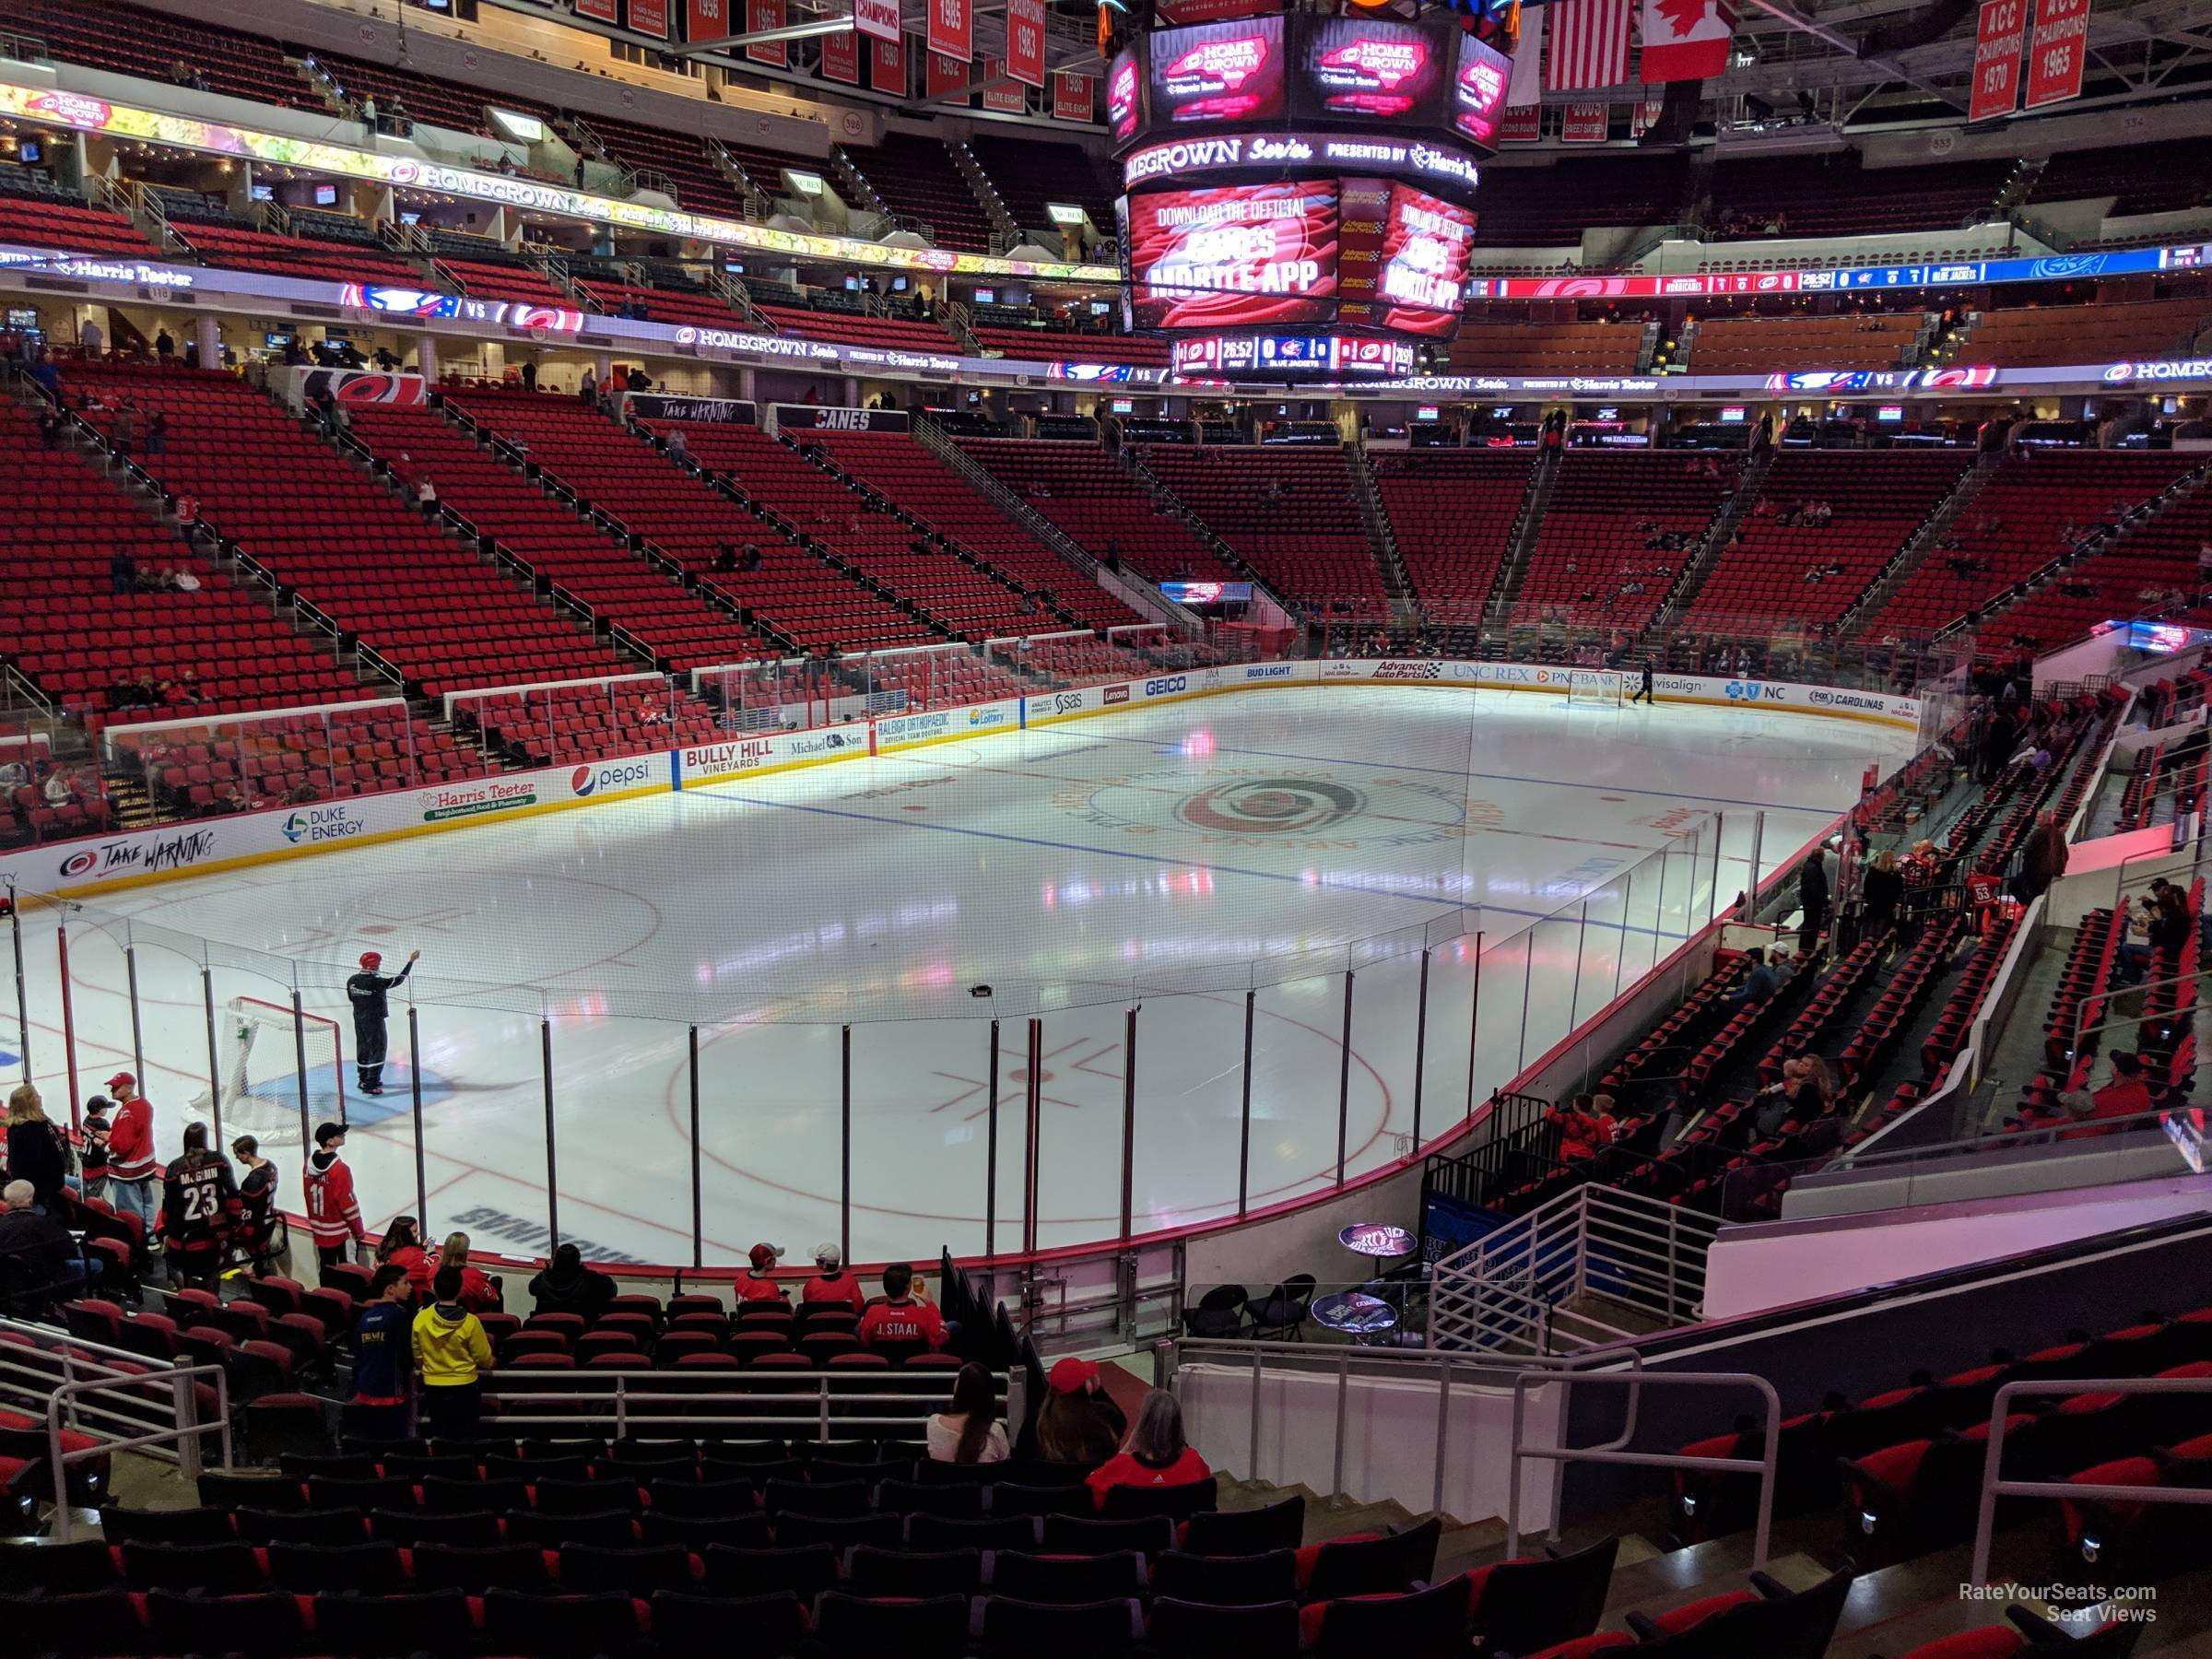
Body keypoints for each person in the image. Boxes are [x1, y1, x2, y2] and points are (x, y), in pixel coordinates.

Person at [1086, 1387, 1210, 1505]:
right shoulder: (1194, 1461)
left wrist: (1123, 1452)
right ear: (1178, 1427)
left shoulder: (1120, 1468)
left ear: (1141, 1427)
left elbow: (1091, 1489)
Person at [413, 1265, 494, 1437]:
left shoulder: (421, 1319)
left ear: (434, 1288)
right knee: (466, 1434)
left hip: (434, 1385)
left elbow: (418, 1355)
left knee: (440, 1433)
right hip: (465, 1386)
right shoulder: (471, 1323)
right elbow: (484, 1359)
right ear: (459, 1289)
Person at [159, 1122, 241, 1289]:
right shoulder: (219, 1161)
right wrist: (233, 1223)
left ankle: (187, 1297)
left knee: (174, 1264)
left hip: (182, 1238)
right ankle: (211, 1303)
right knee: (211, 1271)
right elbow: (233, 1196)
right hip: (210, 1237)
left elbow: (167, 1208)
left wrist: (165, 1227)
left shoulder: (175, 1168)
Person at [0, 1178, 92, 1302]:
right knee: (95, 1264)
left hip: (9, 1287)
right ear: (31, 1200)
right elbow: (69, 1251)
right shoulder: (42, 1223)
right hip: (40, 1281)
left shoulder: (2, 1224)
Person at [351, 1265, 415, 1440]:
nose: (410, 1287)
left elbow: (358, 1352)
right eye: (406, 1282)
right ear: (390, 1289)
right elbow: (405, 1356)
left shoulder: (365, 1317)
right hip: (391, 1396)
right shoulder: (399, 1316)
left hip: (365, 1393)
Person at [347, 947, 419, 1096]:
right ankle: (371, 1083)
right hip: (374, 1021)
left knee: (363, 1048)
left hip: (359, 1019)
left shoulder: (352, 980)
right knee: (378, 1050)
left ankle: (363, 1079)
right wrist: (410, 961)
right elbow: (398, 979)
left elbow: (351, 997)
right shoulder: (376, 982)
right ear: (373, 965)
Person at [304, 1120, 368, 1280]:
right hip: (340, 1232)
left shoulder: (307, 1166)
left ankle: (326, 1300)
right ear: (330, 1141)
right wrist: (358, 1230)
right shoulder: (339, 1169)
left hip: (320, 1229)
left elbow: (307, 1195)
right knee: (348, 1273)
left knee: (326, 1270)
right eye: (339, 1134)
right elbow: (348, 1204)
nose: (343, 1135)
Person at [1036, 1356, 1127, 1465]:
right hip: (1096, 1479)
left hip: (1053, 1480)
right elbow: (1121, 1425)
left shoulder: (1038, 1420)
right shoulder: (1102, 1415)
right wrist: (1098, 1392)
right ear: (1084, 1387)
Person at [104, 1070, 159, 1247]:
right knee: (147, 1202)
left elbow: (123, 1144)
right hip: (146, 1163)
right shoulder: (145, 1104)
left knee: (131, 1209)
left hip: (128, 1168)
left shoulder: (126, 1113)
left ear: (128, 1088)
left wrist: (109, 1145)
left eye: (116, 1087)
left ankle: (136, 1243)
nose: (112, 1090)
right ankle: (151, 1238)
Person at [857, 1261, 949, 1351]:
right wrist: (929, 1303)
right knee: (954, 1325)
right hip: (916, 1364)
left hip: (883, 1364)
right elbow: (941, 1336)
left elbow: (864, 1340)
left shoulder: (873, 1313)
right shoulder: (923, 1314)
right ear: (908, 1286)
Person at [927, 1361, 1009, 1465]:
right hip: (986, 1480)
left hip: (943, 1480)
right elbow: (1005, 1469)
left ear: (958, 1390)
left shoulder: (933, 1423)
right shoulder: (996, 1430)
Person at [6, 1084, 70, 1213]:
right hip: (39, 1192)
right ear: (30, 1102)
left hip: (32, 1186)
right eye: (36, 1096)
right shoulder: (34, 1129)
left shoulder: (15, 1127)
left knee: (74, 1183)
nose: (40, 1098)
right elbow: (44, 1163)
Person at [229, 1135, 279, 1272]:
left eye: (238, 1154)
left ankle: (253, 1275)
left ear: (246, 1153)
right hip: (269, 1223)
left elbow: (247, 1214)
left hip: (257, 1231)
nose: (236, 1158)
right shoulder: (271, 1167)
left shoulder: (253, 1181)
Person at [529, 1241, 615, 1321]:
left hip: (547, 1329)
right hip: (582, 1331)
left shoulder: (543, 1279)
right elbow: (611, 1289)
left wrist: (547, 1271)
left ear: (555, 1263)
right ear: (578, 1262)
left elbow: (532, 1289)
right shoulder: (591, 1279)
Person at [2010, 810, 2067, 905]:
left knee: (2013, 886)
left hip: (2035, 871)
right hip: (2050, 872)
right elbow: (2065, 853)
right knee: (2034, 893)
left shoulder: (2039, 832)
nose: (2036, 819)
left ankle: (2027, 905)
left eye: (2039, 817)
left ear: (2046, 819)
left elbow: (2027, 849)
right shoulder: (2058, 833)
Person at [432, 1232, 500, 1313]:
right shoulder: (474, 1276)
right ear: (466, 1253)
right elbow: (493, 1298)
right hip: (469, 1318)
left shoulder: (433, 1269)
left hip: (439, 1313)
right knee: (497, 1282)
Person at [801, 1241, 867, 1313]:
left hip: (818, 1324)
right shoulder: (850, 1280)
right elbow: (859, 1305)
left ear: (823, 1264)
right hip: (846, 1324)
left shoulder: (812, 1284)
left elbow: (807, 1308)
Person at [377, 1215, 433, 1296]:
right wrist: (432, 1254)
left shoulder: (384, 1248)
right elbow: (434, 1271)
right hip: (414, 1300)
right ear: (405, 1235)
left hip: (388, 1294)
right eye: (414, 1231)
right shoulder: (414, 1256)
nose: (418, 1233)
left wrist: (420, 1248)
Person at [2091, 1052, 2153, 1124]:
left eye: (2115, 1065)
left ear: (2117, 1072)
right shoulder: (2142, 1089)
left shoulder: (2108, 1098)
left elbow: (2088, 1114)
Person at [1861, 849, 1904, 938]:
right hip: (1888, 903)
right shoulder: (1895, 874)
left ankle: (1868, 939)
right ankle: (1879, 940)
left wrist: (1868, 898)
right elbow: (1899, 889)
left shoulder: (1873, 871)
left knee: (1871, 921)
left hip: (1873, 901)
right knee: (1883, 923)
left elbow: (1867, 886)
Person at [79, 1096, 112, 1203]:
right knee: (93, 1197)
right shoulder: (102, 1124)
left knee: (87, 1192)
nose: (107, 1110)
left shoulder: (86, 1120)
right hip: (98, 1165)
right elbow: (110, 1139)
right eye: (105, 1107)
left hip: (86, 1163)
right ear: (99, 1110)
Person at [735, 1241, 788, 1305]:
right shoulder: (770, 1287)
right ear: (767, 1261)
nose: (775, 1261)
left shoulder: (740, 1279)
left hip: (744, 1315)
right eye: (774, 1258)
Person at [1797, 852, 1830, 954]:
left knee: (1810, 928)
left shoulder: (1812, 866)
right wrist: (1824, 900)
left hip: (1812, 903)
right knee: (1810, 928)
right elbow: (1814, 889)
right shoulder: (1813, 868)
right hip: (1813, 904)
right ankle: (1806, 951)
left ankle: (1807, 951)